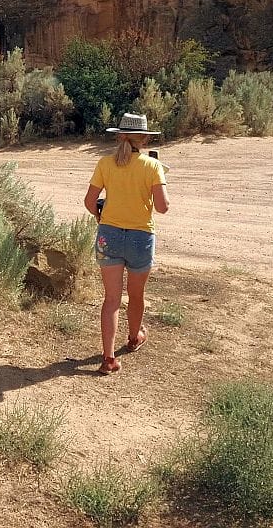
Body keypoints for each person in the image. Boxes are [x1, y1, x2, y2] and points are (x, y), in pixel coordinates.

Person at [83, 112, 170, 375]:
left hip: (108, 234)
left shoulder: (105, 164)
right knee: (136, 295)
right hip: (139, 236)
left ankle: (108, 359)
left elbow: (89, 201)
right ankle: (134, 338)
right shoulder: (152, 167)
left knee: (111, 299)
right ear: (143, 139)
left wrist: (102, 217)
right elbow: (163, 207)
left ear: (119, 136)